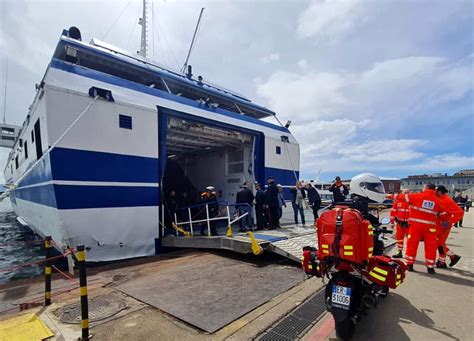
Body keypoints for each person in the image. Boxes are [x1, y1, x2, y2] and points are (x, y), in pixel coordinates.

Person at [405, 183, 447, 274]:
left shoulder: (417, 196)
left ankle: (409, 265)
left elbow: (403, 197)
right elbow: (443, 216)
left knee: (412, 244)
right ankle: (430, 267)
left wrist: (390, 196)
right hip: (431, 228)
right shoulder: (438, 200)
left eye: (423, 187)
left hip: (416, 226)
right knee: (431, 247)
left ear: (426, 188)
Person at [435, 186, 464, 268]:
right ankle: (452, 257)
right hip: (439, 226)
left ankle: (443, 261)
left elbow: (460, 212)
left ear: (440, 192)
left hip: (444, 226)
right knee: (439, 243)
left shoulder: (447, 200)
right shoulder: (439, 199)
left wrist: (450, 221)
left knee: (440, 244)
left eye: (435, 191)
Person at [390, 189, 410, 258]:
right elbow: (393, 212)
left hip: (409, 224)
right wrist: (392, 222)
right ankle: (399, 252)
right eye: (405, 192)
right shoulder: (397, 202)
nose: (407, 194)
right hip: (400, 224)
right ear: (401, 193)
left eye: (408, 192)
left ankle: (409, 253)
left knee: (410, 239)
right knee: (399, 238)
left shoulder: (411, 202)